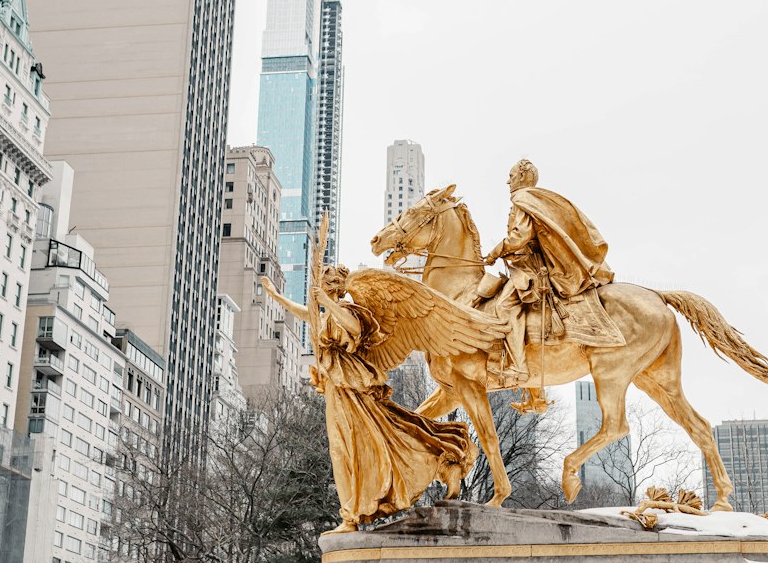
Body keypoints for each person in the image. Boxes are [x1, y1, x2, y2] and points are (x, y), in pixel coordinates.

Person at [261, 265, 478, 531]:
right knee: (344, 449)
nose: (324, 285)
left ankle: (442, 459)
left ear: (340, 286)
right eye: (322, 282)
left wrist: (327, 301)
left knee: (370, 445)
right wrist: (276, 296)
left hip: (354, 389)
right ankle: (351, 514)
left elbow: (353, 328)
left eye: (329, 282)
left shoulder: (351, 312)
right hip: (336, 389)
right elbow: (305, 313)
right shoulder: (327, 315)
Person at [482, 159, 613, 386]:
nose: (507, 181)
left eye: (511, 176)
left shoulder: (522, 198)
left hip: (531, 268)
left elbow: (521, 236)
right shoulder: (533, 199)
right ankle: (534, 390)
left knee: (505, 306)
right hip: (529, 263)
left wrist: (496, 250)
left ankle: (519, 368)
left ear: (522, 178)